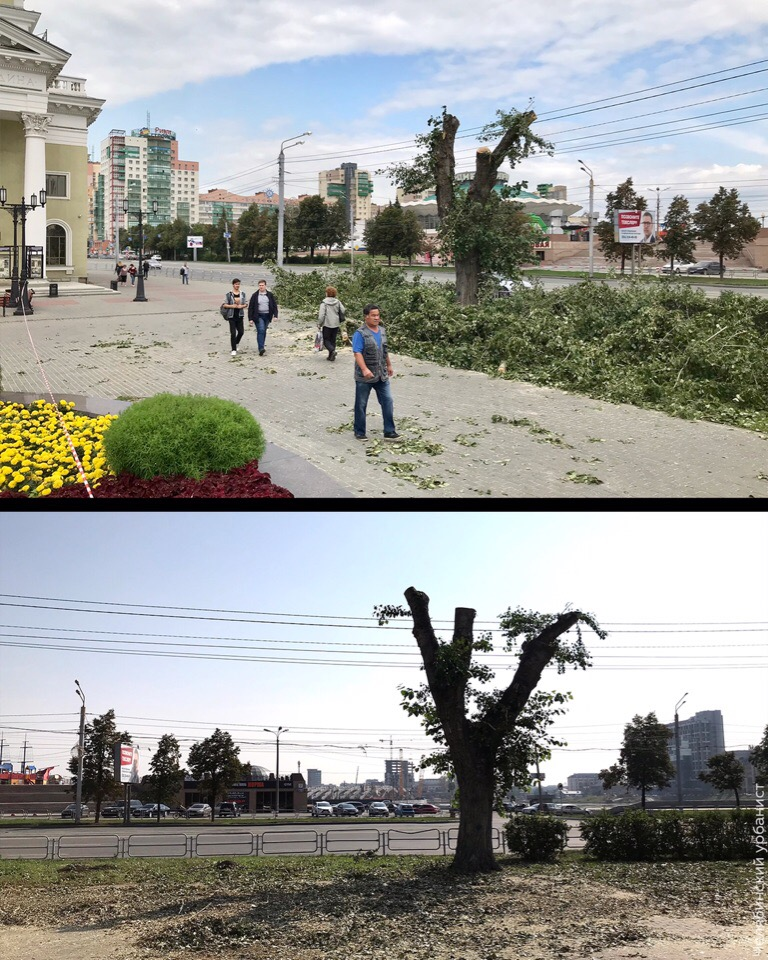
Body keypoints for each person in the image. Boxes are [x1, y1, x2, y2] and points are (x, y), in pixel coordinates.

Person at [352, 304, 401, 442]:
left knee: (388, 401)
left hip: (381, 374)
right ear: (366, 316)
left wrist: (389, 365)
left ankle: (389, 431)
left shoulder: (382, 331)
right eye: (373, 315)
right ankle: (360, 431)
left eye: (378, 315)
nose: (376, 318)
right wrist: (364, 369)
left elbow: (384, 351)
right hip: (364, 377)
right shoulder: (360, 333)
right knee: (361, 404)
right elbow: (357, 353)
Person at [247, 279, 278, 356]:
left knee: (263, 331)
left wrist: (275, 315)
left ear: (265, 286)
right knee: (261, 329)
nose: (261, 287)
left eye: (262, 285)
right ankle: (261, 348)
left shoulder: (270, 295)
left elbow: (274, 306)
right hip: (258, 316)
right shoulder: (255, 295)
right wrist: (250, 319)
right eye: (260, 285)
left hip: (267, 316)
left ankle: (262, 346)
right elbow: (251, 307)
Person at [317, 285, 347, 361]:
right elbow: (343, 310)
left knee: (326, 340)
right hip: (336, 323)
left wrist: (319, 324)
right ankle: (331, 356)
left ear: (327, 293)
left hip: (327, 324)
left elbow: (321, 315)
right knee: (333, 340)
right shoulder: (338, 302)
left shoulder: (324, 303)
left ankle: (332, 351)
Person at [222, 278, 248, 356]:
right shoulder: (228, 294)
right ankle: (233, 349)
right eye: (236, 284)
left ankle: (236, 343)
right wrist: (232, 306)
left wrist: (241, 306)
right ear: (233, 285)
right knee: (233, 333)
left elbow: (246, 304)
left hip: (240, 315)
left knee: (241, 332)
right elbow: (224, 304)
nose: (237, 285)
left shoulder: (242, 294)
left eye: (238, 284)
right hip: (231, 316)